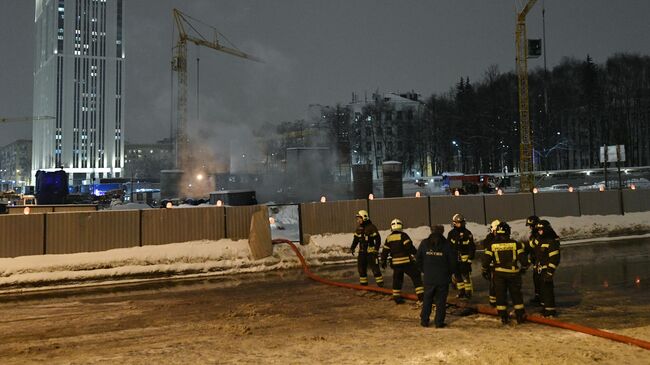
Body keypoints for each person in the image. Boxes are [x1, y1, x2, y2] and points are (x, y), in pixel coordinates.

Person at [481, 221, 528, 324]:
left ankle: (503, 317)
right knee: (516, 295)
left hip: (499, 274)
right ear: (508, 232)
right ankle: (520, 315)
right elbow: (524, 260)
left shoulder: (492, 245)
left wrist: (484, 270)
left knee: (500, 295)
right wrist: (524, 268)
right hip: (513, 274)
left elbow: (486, 260)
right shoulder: (515, 244)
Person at [417, 225, 457, 328]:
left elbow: (418, 260)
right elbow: (453, 262)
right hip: (442, 278)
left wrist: (424, 271)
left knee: (427, 299)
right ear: (442, 232)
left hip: (429, 278)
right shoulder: (447, 244)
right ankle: (439, 322)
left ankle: (424, 321)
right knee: (441, 301)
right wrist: (450, 273)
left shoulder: (424, 243)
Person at [380, 218, 424, 304]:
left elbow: (385, 251)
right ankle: (421, 296)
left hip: (396, 264)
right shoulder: (403, 236)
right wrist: (417, 255)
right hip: (406, 262)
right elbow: (409, 247)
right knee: (416, 276)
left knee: (397, 279)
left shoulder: (389, 238)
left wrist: (383, 260)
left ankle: (396, 297)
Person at [534, 220, 561, 317]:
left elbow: (554, 259)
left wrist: (550, 272)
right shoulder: (540, 240)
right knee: (542, 290)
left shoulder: (551, 242)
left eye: (541, 230)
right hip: (540, 269)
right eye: (538, 230)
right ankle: (545, 308)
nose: (539, 231)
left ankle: (550, 311)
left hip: (546, 270)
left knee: (547, 290)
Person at [350, 210, 384, 287]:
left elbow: (378, 239)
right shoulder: (358, 229)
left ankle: (381, 285)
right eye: (357, 219)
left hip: (371, 252)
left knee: (375, 269)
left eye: (359, 218)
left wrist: (376, 249)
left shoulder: (371, 227)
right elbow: (355, 240)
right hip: (362, 252)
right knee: (361, 269)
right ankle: (364, 285)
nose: (358, 220)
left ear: (364, 218)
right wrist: (352, 248)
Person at [447, 213, 476, 299]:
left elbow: (472, 247)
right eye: (458, 222)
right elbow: (448, 246)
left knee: (466, 277)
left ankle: (468, 294)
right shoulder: (451, 233)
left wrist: (469, 260)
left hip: (465, 260)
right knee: (458, 277)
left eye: (461, 222)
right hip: (455, 259)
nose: (460, 224)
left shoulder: (468, 233)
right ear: (454, 223)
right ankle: (461, 292)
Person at [481, 219, 501, 307]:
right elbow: (487, 254)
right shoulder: (488, 240)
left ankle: (500, 298)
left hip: (501, 264)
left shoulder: (503, 238)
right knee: (493, 283)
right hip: (492, 265)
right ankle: (493, 301)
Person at [524, 215, 542, 305]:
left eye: (531, 226)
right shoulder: (534, 234)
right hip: (536, 260)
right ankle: (538, 297)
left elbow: (534, 247)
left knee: (539, 279)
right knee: (536, 279)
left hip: (541, 261)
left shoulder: (539, 234)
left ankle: (541, 298)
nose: (530, 228)